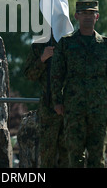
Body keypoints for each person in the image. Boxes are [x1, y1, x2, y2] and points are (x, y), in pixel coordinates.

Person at [51, 0, 107, 168]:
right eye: (84, 14)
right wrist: (57, 101)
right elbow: (56, 75)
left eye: (91, 14)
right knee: (75, 157)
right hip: (73, 109)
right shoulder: (66, 44)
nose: (88, 17)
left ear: (97, 17)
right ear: (77, 16)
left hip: (99, 109)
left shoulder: (105, 45)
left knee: (97, 159)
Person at [23, 36, 68, 167]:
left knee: (70, 157)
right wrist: (43, 58)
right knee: (47, 155)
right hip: (48, 109)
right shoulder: (39, 44)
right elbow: (29, 74)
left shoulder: (74, 42)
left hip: (71, 108)